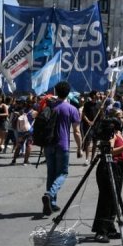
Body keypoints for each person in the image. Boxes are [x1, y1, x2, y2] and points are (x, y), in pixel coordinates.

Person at [41, 81, 83, 216]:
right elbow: (76, 131)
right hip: (62, 144)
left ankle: (51, 203)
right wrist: (79, 147)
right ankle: (50, 195)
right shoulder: (72, 109)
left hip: (48, 144)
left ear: (56, 92)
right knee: (62, 173)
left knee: (51, 174)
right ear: (68, 93)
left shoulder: (50, 107)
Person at [91, 111, 123, 243]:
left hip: (118, 169)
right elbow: (110, 151)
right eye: (118, 117)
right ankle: (101, 231)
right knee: (106, 200)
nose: (120, 119)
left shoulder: (118, 133)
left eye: (121, 117)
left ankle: (110, 227)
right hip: (109, 167)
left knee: (115, 200)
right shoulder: (111, 134)